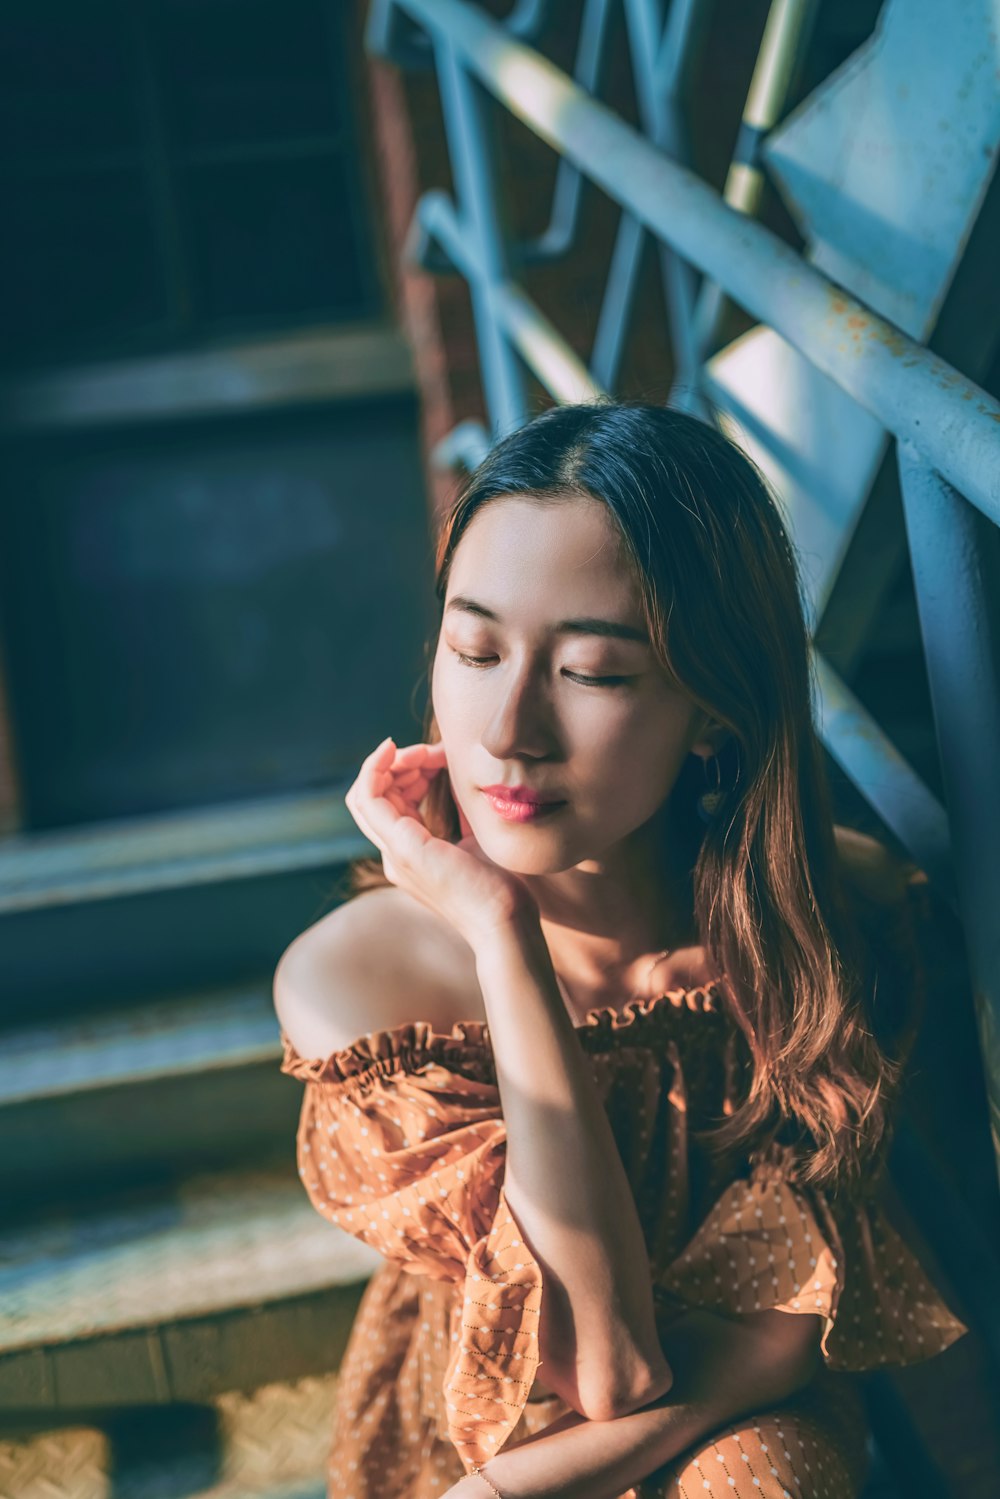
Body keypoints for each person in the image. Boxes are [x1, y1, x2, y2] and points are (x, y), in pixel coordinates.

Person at [274, 402, 968, 1499]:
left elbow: (738, 1346)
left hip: (743, 1414)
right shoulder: (357, 986)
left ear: (714, 710)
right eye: (474, 646)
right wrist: (503, 933)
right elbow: (592, 1357)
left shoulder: (825, 921)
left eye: (592, 671)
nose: (507, 728)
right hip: (488, 1413)